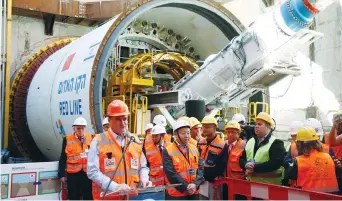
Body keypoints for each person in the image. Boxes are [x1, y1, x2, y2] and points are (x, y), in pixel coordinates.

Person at [87, 100, 152, 200]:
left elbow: (143, 166)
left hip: (132, 197)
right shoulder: (98, 141)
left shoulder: (133, 141)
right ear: (109, 120)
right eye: (118, 119)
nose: (123, 123)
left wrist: (144, 178)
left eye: (125, 119)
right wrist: (115, 187)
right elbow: (92, 171)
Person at [288, 127, 339, 193]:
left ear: (299, 144)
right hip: (330, 197)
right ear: (317, 142)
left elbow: (290, 180)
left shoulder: (298, 161)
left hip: (306, 197)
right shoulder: (329, 157)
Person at [163, 120, 204, 200]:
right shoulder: (168, 150)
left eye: (188, 133)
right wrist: (186, 187)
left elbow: (201, 168)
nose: (187, 136)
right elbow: (171, 174)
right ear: (175, 134)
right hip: (177, 194)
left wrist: (195, 184)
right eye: (183, 133)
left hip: (194, 191)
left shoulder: (194, 147)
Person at [239, 112, 285, 185]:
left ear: (268, 126)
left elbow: (275, 163)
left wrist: (254, 167)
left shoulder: (276, 143)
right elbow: (241, 158)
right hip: (251, 185)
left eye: (260, 124)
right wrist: (245, 164)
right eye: (256, 124)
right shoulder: (250, 141)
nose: (256, 126)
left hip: (269, 187)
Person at [58, 117, 93, 200]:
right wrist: (61, 174)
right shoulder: (67, 139)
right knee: (74, 196)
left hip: (87, 174)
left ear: (85, 128)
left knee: (88, 196)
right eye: (78, 128)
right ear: (74, 128)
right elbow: (63, 157)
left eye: (82, 128)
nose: (80, 130)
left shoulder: (91, 138)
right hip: (73, 175)